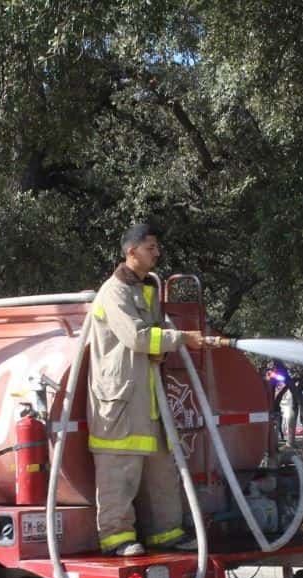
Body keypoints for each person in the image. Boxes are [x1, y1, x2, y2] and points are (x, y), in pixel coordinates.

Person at [86, 223, 205, 556]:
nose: (157, 253)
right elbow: (136, 337)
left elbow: (152, 337)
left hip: (147, 396)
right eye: (150, 247)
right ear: (131, 251)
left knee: (162, 471)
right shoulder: (114, 291)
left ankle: (166, 534)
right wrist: (180, 338)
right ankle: (116, 539)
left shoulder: (145, 289)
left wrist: (168, 339)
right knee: (119, 472)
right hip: (119, 400)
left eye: (156, 247)